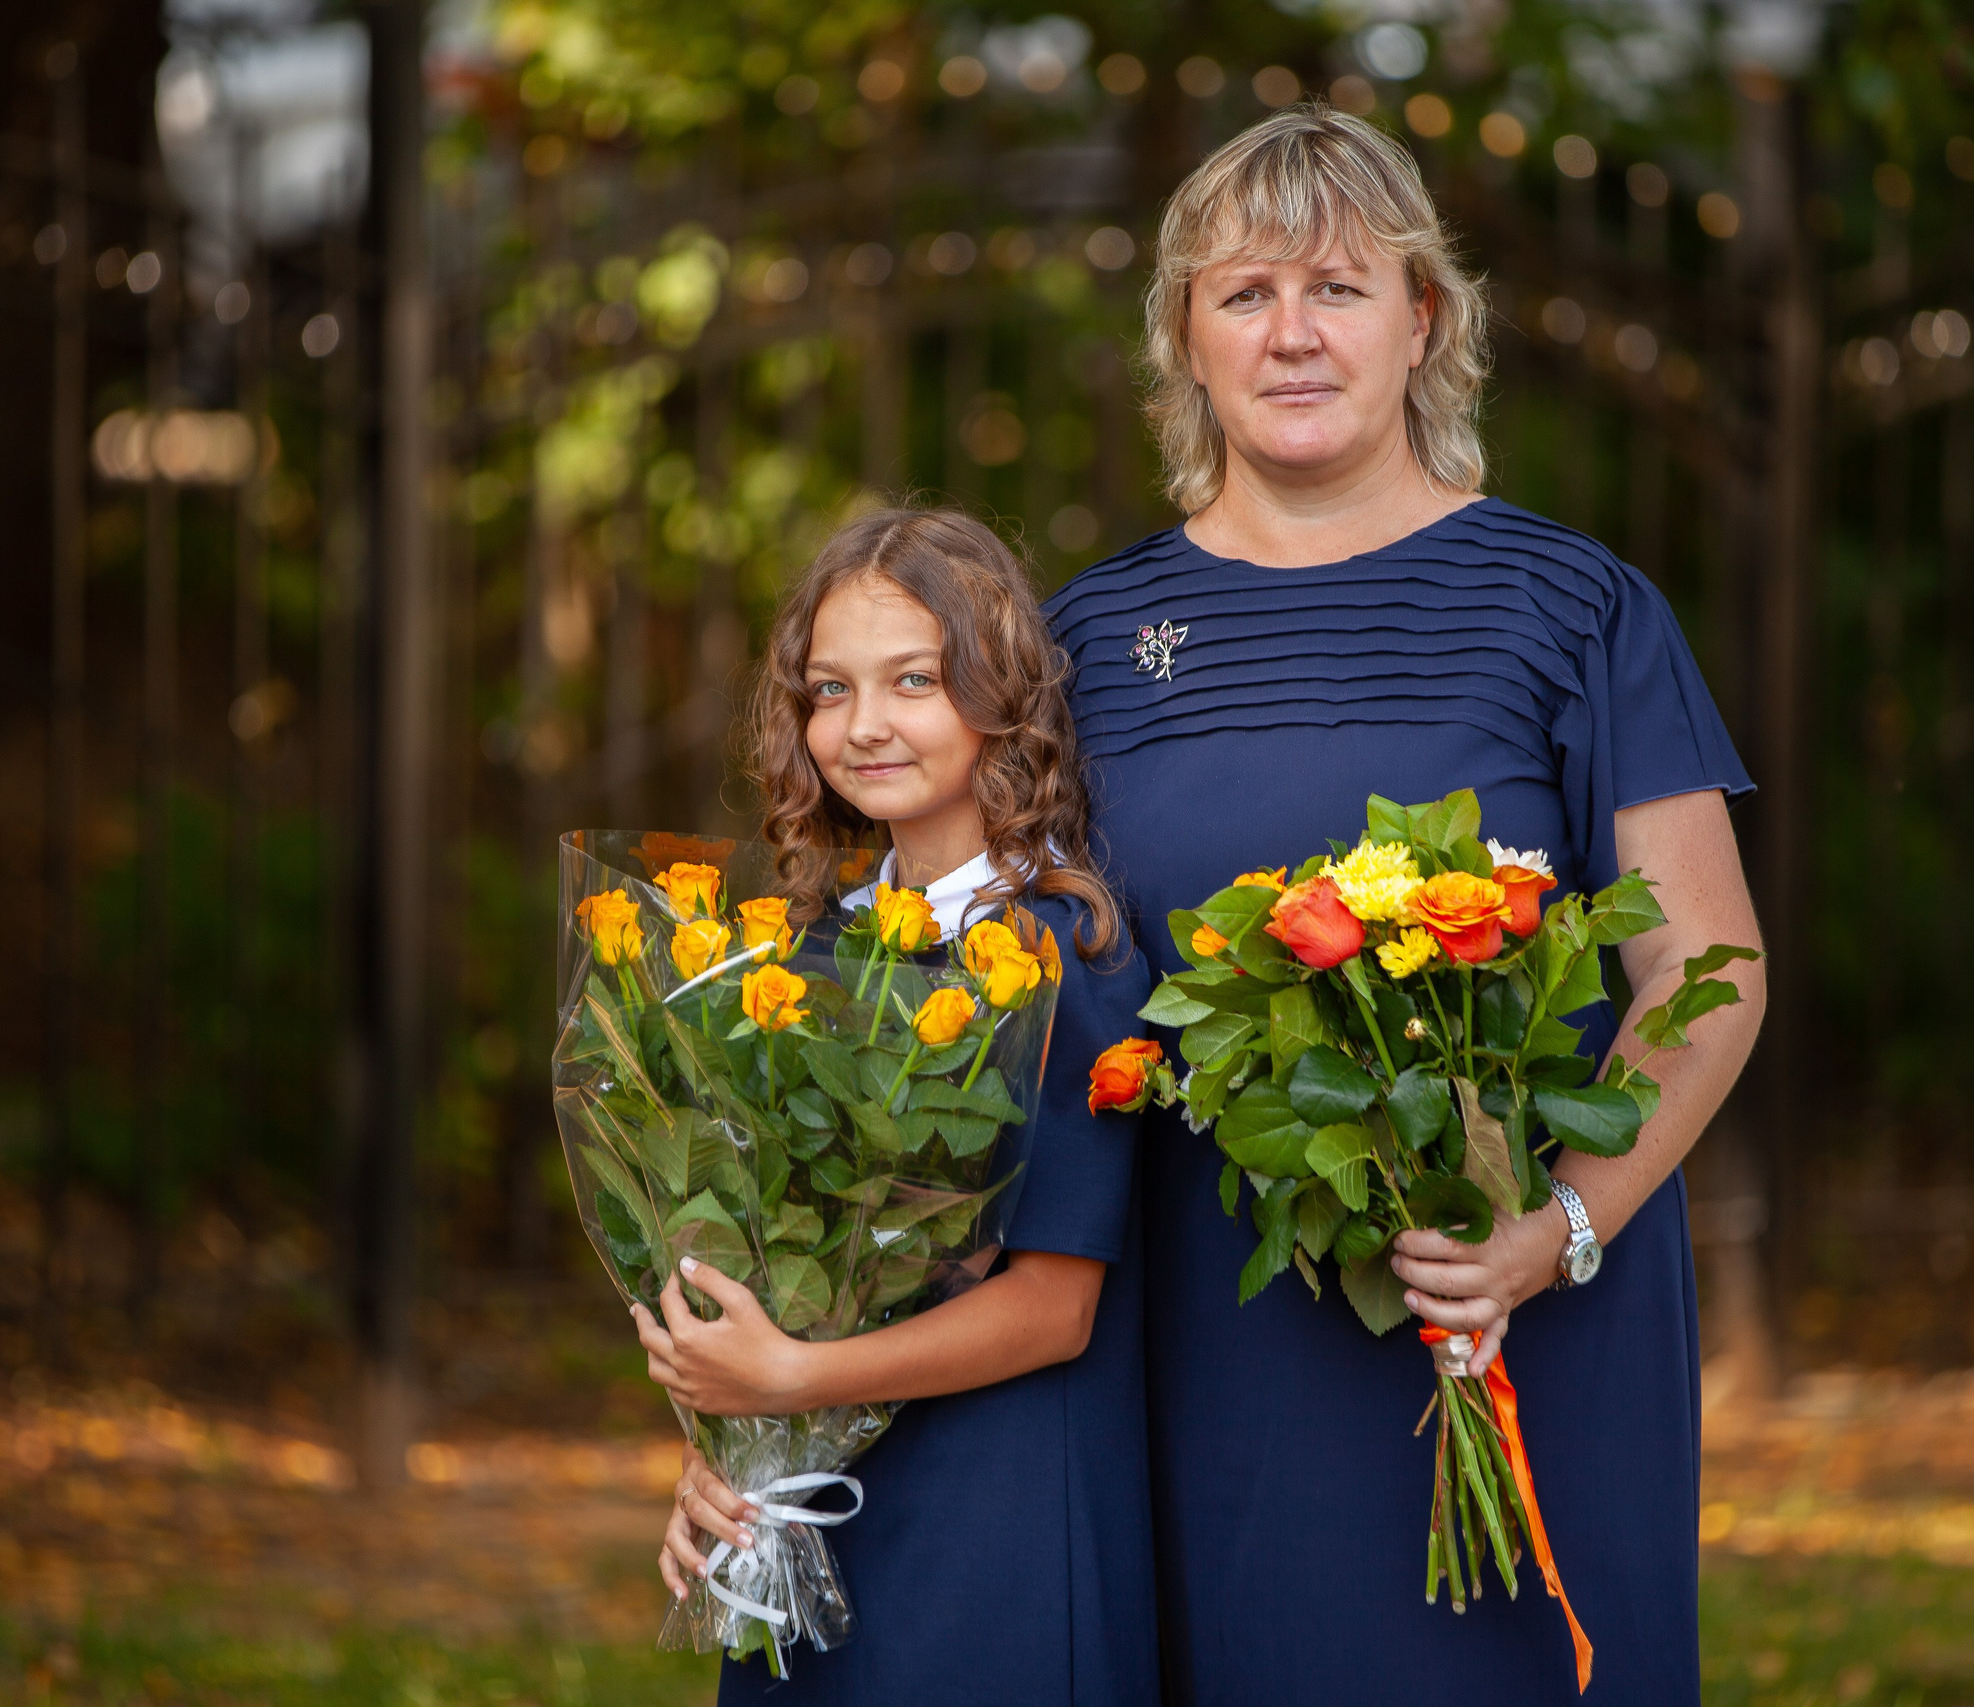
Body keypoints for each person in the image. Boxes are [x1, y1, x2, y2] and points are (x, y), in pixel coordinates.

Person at [1042, 106, 1767, 1704]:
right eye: (1245, 294)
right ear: (1186, 336)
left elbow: (1706, 964)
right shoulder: (1084, 641)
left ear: (1423, 318)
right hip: (1214, 1335)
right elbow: (1021, 996)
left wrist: (1554, 1229)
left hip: (1526, 1309)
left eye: (1338, 288)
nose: (1292, 333)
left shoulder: (1576, 607)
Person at [636, 508, 1159, 1706]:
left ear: (1001, 696)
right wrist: (727, 1447)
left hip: (992, 1523)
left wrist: (784, 1383)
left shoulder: (1062, 955)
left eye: (913, 680)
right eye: (830, 689)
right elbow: (779, 1261)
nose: (863, 723)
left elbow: (1055, 1308)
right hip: (811, 1503)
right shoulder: (805, 952)